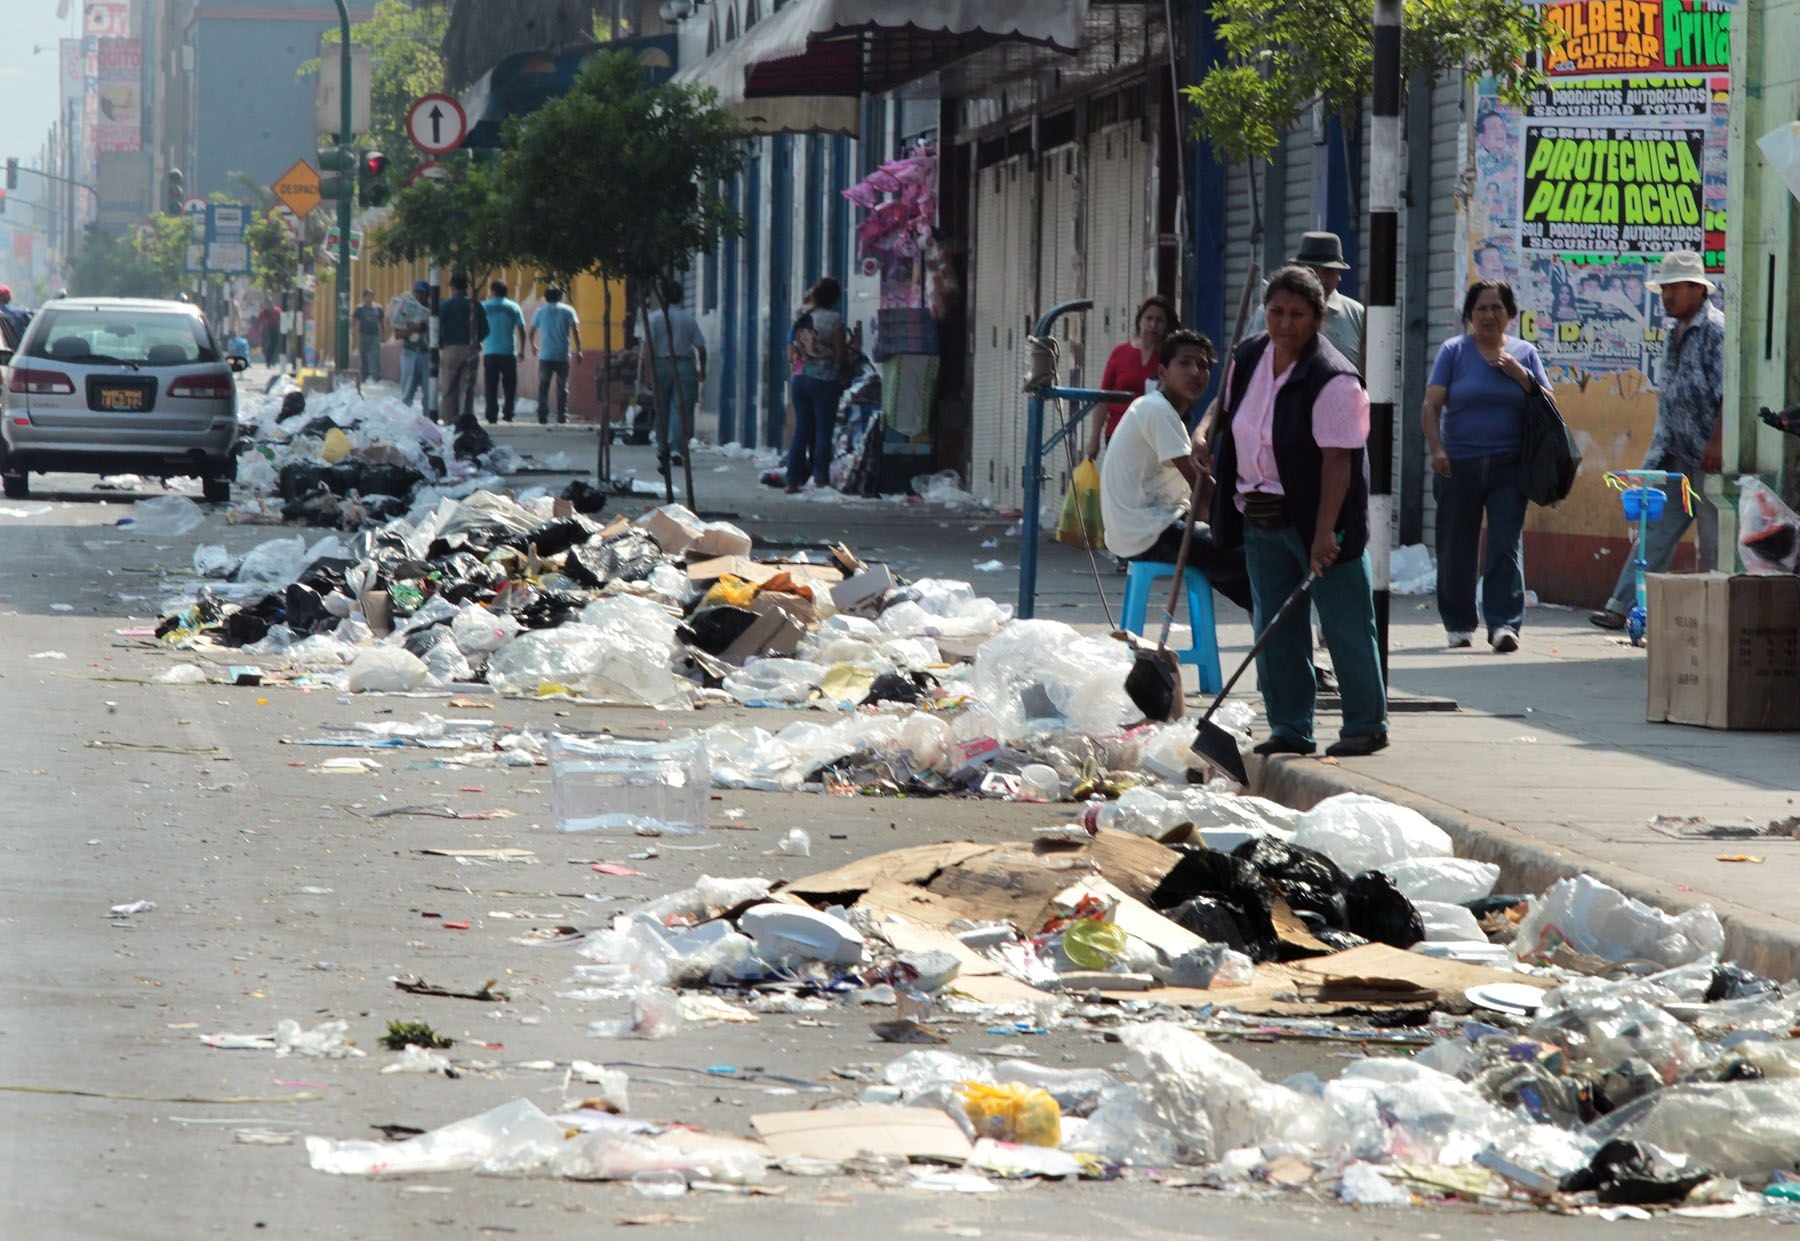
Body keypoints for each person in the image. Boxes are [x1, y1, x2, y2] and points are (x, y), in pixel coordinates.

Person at [1203, 265, 1387, 758]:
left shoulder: (1333, 378)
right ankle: (1289, 726)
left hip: (1321, 520)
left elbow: (1338, 462)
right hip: (1260, 515)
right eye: (1276, 312)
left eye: (1297, 314)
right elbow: (1224, 409)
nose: (1285, 324)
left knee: (1346, 624)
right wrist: (1204, 435)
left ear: (1319, 317)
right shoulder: (1248, 356)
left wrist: (1324, 534)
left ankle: (1366, 725)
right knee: (1275, 627)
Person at [1591, 251, 1724, 629]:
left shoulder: (1716, 330)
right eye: (1664, 289)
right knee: (1654, 536)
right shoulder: (1673, 333)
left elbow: (1727, 392)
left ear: (1698, 289)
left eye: (1675, 288)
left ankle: (1723, 617)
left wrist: (1717, 443)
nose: (1667, 296)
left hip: (1708, 457)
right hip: (1675, 455)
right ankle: (1621, 607)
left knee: (1715, 542)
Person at [1420, 279, 1551, 653]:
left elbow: (1548, 404)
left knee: (1504, 544)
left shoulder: (1525, 354)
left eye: (1497, 308)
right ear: (1469, 315)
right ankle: (1459, 624)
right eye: (1482, 309)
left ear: (1510, 315)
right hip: (1457, 463)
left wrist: (1518, 375)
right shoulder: (1453, 352)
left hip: (1510, 466)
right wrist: (1436, 449)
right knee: (1455, 546)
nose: (1490, 315)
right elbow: (1431, 405)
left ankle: (1503, 625)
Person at [1098, 329, 1253, 610]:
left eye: (1203, 365)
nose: (1195, 372)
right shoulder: (1157, 411)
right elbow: (1202, 492)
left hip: (1147, 526)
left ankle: (1268, 635)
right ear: (1162, 371)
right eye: (1185, 363)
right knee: (1253, 562)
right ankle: (1272, 641)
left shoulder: (1164, 411)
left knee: (1238, 573)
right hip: (1148, 531)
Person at [1083, 295, 1177, 461]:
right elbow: (1103, 399)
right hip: (1118, 432)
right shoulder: (1120, 353)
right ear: (1140, 321)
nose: (1153, 325)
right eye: (1149, 318)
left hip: (1153, 437)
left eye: (1159, 320)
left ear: (1166, 326)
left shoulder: (1168, 359)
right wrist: (1094, 439)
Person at [783, 277, 846, 492]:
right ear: (835, 298)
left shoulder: (800, 318)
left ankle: (792, 479)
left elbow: (790, 352)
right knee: (823, 431)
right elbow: (840, 354)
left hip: (799, 379)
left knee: (802, 429)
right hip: (824, 380)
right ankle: (820, 478)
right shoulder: (835, 319)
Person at [641, 277, 707, 473]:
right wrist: (702, 368)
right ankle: (677, 449)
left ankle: (662, 448)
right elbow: (701, 348)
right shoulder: (688, 319)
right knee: (681, 409)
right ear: (681, 297)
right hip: (684, 365)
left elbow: (648, 349)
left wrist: (647, 373)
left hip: (661, 365)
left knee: (661, 409)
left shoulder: (654, 318)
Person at [1289, 232, 1366, 368]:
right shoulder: (1274, 312)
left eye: (1328, 271)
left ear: (1339, 276)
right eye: (1311, 270)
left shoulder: (1357, 314)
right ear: (1297, 270)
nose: (1320, 278)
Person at [529, 284, 583, 425]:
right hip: (562, 355)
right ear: (560, 296)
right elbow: (575, 331)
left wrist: (533, 346)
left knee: (543, 386)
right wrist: (579, 350)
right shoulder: (568, 310)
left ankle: (542, 415)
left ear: (546, 298)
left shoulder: (540, 311)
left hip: (545, 355)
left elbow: (531, 331)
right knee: (562, 386)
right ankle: (561, 415)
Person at [436, 273, 485, 425]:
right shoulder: (474, 304)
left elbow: (437, 327)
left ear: (452, 287)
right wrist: (476, 341)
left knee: (449, 389)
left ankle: (449, 421)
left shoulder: (446, 305)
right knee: (467, 389)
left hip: (450, 349)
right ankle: (466, 422)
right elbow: (485, 328)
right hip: (470, 349)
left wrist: (441, 344)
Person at [481, 279, 527, 424]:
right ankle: (508, 413)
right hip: (508, 351)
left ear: (492, 291)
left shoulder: (484, 306)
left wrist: (477, 342)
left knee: (491, 385)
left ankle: (491, 415)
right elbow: (521, 330)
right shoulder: (514, 307)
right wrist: (522, 350)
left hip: (490, 351)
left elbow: (475, 325)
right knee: (510, 385)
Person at [392, 280, 434, 412]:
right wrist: (414, 328)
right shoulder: (406, 309)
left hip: (426, 353)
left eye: (423, 293)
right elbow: (398, 334)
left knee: (429, 393)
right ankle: (405, 421)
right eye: (417, 293)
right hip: (409, 353)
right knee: (407, 392)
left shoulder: (433, 312)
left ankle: (429, 422)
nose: (420, 296)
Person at [351, 289, 385, 382]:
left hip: (375, 335)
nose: (370, 298)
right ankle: (364, 376)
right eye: (368, 296)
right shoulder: (360, 308)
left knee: (375, 355)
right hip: (363, 335)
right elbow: (354, 320)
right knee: (363, 356)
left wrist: (383, 333)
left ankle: (377, 376)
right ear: (364, 297)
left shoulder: (378, 308)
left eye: (371, 296)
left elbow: (381, 321)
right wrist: (353, 330)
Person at [257, 302, 282, 367]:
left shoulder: (276, 310)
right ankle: (268, 361)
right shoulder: (264, 312)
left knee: (275, 344)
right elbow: (260, 320)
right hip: (267, 329)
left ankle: (273, 360)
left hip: (275, 328)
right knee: (268, 345)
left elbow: (281, 317)